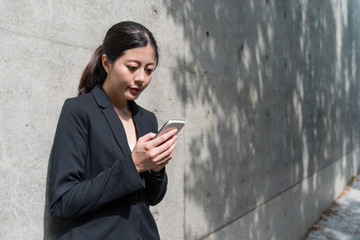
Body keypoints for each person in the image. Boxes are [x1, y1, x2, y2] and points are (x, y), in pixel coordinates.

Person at [50, 21, 178, 240]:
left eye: (149, 70)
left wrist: (157, 169)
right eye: (132, 67)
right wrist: (134, 164)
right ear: (107, 63)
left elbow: (151, 198)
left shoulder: (147, 118)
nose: (141, 78)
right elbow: (64, 201)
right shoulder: (79, 111)